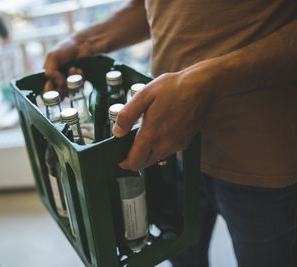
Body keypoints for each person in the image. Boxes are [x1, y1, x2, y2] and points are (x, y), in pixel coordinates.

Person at [43, 1, 297, 266]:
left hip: (262, 159)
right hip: (168, 149)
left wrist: (210, 79)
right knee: (180, 257)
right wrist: (85, 41)